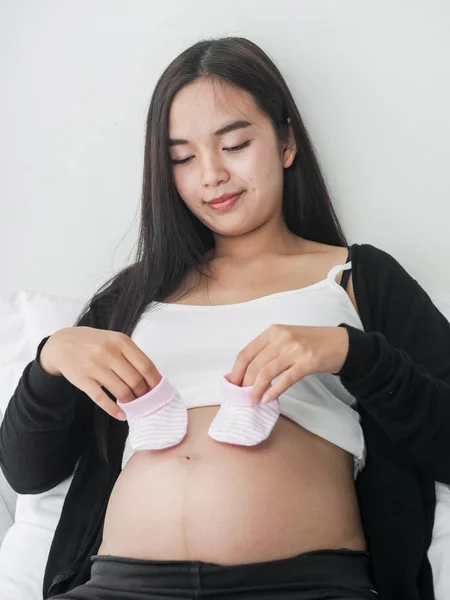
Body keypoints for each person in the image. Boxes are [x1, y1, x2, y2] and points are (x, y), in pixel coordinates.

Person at [1, 36, 449, 600]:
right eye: (182, 158)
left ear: (286, 143)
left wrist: (350, 353)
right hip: (122, 586)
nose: (210, 174)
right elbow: (27, 474)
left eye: (234, 144)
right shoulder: (132, 298)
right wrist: (50, 362)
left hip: (301, 586)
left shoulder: (358, 277)